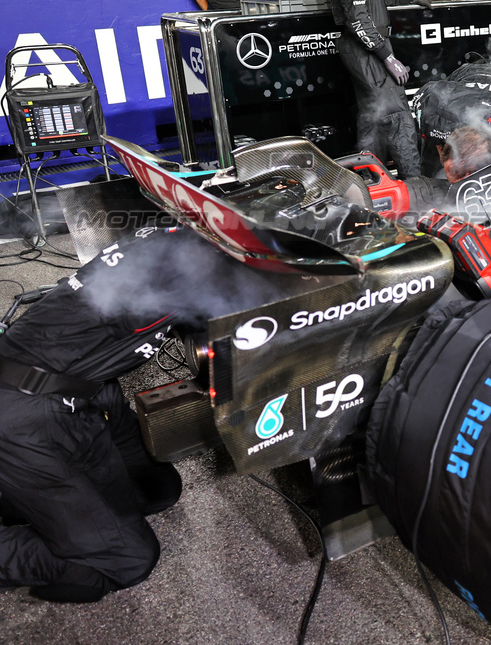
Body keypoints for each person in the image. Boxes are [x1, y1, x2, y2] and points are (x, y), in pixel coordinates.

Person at [0, 226, 281, 603]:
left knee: (157, 490)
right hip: (22, 419)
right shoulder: (188, 263)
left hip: (88, 392)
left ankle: (31, 502)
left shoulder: (183, 242)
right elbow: (260, 326)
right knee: (125, 561)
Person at [325, 0, 429, 176]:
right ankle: (416, 184)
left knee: (373, 117)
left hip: (368, 46)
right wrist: (387, 56)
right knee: (397, 114)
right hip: (366, 49)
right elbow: (357, 18)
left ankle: (372, 180)